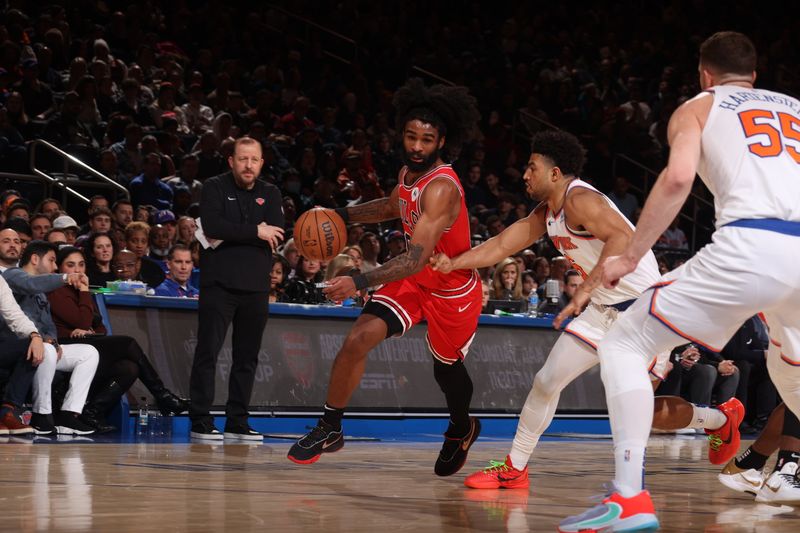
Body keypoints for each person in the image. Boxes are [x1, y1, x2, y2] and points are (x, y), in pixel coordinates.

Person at [563, 32, 800, 532]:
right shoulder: (795, 107)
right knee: (793, 381)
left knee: (625, 342)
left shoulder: (699, 106)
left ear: (704, 73)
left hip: (751, 243)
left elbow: (676, 180)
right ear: (755, 75)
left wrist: (630, 255)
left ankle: (628, 500)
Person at [430, 130, 742, 497]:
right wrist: (453, 263)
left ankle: (720, 419)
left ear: (555, 173)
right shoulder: (547, 213)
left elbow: (621, 240)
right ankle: (514, 469)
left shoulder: (580, 199)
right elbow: (500, 244)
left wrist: (585, 291)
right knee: (546, 381)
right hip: (602, 311)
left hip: (642, 315)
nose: (525, 174)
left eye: (532, 167)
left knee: (642, 414)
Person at [287, 78, 483, 476]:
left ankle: (462, 427)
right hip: (415, 280)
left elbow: (413, 259)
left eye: (426, 140)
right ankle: (330, 426)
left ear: (441, 142)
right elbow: (392, 206)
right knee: (358, 338)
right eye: (411, 136)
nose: (416, 146)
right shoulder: (408, 174)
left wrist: (358, 281)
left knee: (445, 370)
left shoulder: (442, 188)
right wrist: (343, 214)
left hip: (451, 288)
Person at [189, 136, 284, 441]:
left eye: (254, 160)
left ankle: (237, 421)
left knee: (248, 357)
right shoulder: (215, 187)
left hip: (256, 288)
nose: (248, 165)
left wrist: (237, 234)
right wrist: (256, 231)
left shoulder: (270, 192)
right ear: (231, 161)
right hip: (219, 285)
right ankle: (201, 420)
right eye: (242, 159)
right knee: (208, 352)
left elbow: (277, 232)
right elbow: (213, 226)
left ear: (261, 163)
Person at [48, 246, 189, 432]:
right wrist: (83, 292)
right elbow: (81, 320)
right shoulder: (57, 290)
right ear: (60, 268)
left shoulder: (83, 292)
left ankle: (92, 411)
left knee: (129, 368)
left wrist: (89, 330)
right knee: (128, 343)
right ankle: (162, 395)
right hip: (66, 346)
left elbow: (99, 326)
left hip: (88, 343)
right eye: (71, 265)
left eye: (81, 265)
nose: (77, 270)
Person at [1, 241, 99, 436]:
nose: (55, 266)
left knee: (89, 353)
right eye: (52, 260)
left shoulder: (43, 293)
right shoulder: (12, 275)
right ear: (35, 259)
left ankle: (69, 415)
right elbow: (30, 285)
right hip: (16, 343)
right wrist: (65, 277)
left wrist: (51, 339)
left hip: (37, 342)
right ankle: (41, 415)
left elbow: (48, 323)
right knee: (41, 348)